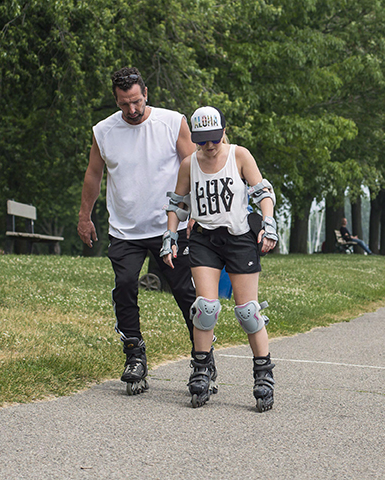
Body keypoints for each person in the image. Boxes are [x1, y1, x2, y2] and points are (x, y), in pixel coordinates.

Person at [78, 67, 197, 395]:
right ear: (115, 100)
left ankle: (203, 357)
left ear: (146, 93)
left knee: (185, 292)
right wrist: (84, 217)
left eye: (136, 101)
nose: (131, 110)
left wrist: (197, 213)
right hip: (125, 229)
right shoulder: (104, 131)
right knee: (125, 286)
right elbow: (93, 174)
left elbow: (193, 166)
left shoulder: (172, 122)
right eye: (123, 104)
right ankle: (134, 355)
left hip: (169, 226)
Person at [162, 106, 278, 411]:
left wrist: (268, 222)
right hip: (204, 239)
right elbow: (177, 203)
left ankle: (263, 373)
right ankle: (201, 369)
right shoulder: (189, 163)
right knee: (206, 308)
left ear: (224, 132)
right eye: (202, 141)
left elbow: (262, 191)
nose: (209, 146)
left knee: (248, 312)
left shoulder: (240, 156)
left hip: (239, 239)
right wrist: (171, 236)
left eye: (214, 139)